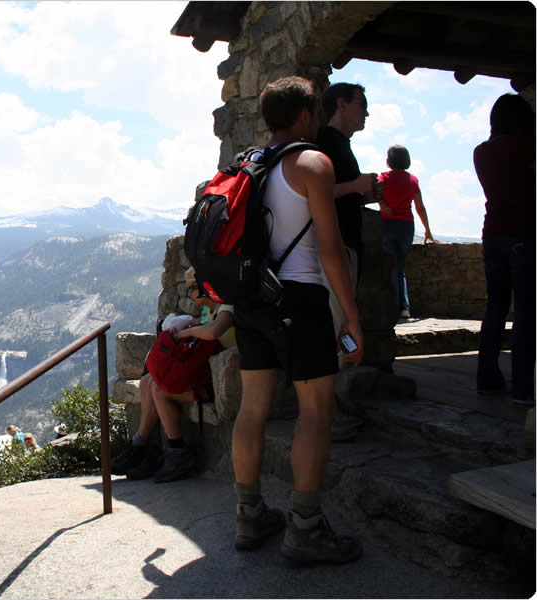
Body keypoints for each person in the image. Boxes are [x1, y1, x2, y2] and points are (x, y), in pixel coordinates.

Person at [229, 76, 364, 564]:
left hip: (252, 303)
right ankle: (305, 528)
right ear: (307, 116)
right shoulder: (311, 162)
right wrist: (351, 316)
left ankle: (249, 515)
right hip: (300, 299)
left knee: (252, 410)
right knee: (316, 412)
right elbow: (329, 248)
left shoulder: (246, 166)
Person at [112, 267, 235, 483]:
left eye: (193, 289)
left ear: (206, 286)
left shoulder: (227, 305)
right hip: (205, 374)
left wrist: (186, 332)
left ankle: (176, 453)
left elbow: (214, 332)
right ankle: (143, 444)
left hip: (223, 380)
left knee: (160, 391)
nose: (189, 295)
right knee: (150, 380)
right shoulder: (209, 311)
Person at [315, 82, 381, 441]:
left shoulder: (339, 146)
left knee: (337, 327)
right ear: (341, 104)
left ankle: (331, 408)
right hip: (335, 250)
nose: (366, 111)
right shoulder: (326, 143)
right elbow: (317, 193)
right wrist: (357, 186)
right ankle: (327, 416)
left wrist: (361, 193)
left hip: (343, 248)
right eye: (362, 103)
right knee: (336, 327)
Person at [473, 93, 535, 405]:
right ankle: (523, 387)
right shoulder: (527, 148)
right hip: (525, 234)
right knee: (526, 311)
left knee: (495, 307)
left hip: (492, 235)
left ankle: (488, 377)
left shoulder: (481, 152)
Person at [377, 144, 438, 319]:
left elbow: (377, 193)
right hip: (406, 226)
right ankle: (403, 307)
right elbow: (420, 206)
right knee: (400, 268)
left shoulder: (384, 177)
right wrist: (427, 230)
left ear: (389, 160)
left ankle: (392, 307)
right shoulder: (413, 180)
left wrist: (384, 206)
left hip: (387, 224)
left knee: (388, 266)